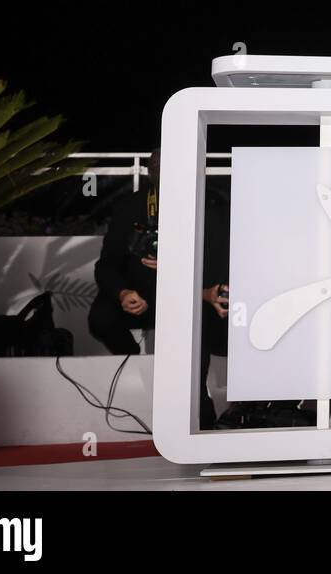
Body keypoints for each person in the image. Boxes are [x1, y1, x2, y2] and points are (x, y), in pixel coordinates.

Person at [88, 148, 231, 430]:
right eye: (157, 169)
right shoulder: (130, 207)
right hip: (142, 296)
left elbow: (219, 271)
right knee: (102, 317)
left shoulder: (213, 206)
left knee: (195, 318)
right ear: (150, 174)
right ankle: (138, 366)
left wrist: (178, 269)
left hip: (194, 299)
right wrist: (122, 293)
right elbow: (106, 266)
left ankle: (200, 410)